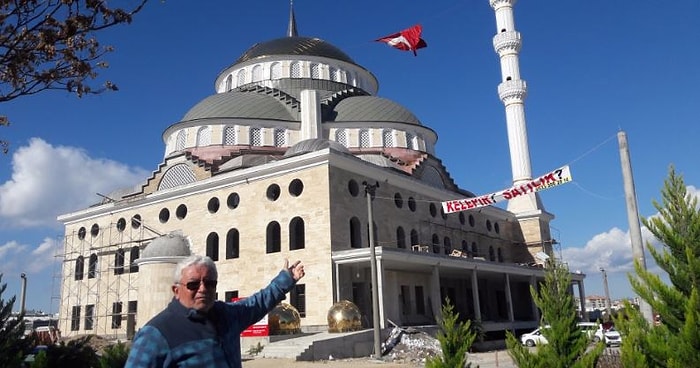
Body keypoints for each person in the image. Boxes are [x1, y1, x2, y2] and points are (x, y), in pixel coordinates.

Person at [125, 254, 305, 368]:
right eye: (193, 284)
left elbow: (257, 304)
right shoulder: (156, 334)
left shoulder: (225, 315)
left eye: (209, 283)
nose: (202, 289)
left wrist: (286, 279)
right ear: (176, 290)